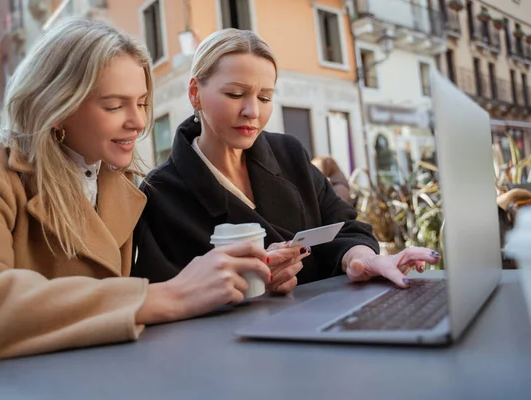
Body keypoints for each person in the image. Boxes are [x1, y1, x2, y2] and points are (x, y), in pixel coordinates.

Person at [0, 19, 272, 399]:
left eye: (142, 103)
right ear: (57, 105)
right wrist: (161, 296)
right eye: (114, 105)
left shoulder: (117, 181)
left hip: (81, 373)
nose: (139, 121)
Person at [133, 29, 440, 293]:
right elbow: (167, 297)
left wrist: (360, 259)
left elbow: (345, 226)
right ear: (194, 93)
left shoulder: (289, 153)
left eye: (265, 98)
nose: (253, 111)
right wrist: (250, 285)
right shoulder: (161, 192)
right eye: (235, 94)